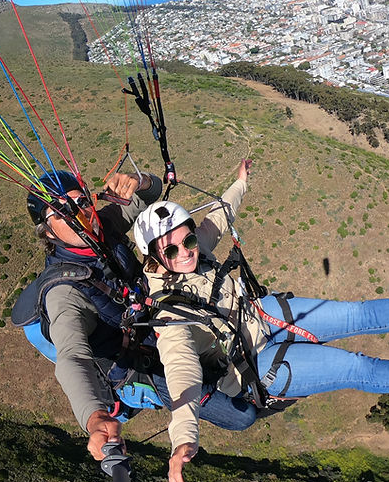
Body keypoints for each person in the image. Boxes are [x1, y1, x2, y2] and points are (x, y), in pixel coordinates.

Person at [132, 159, 389, 482]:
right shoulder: (169, 316)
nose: (187, 251)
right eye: (172, 250)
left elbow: (218, 215)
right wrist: (183, 441)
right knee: (354, 367)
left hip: (263, 315)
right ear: (153, 258)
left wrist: (241, 182)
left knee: (355, 314)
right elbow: (182, 374)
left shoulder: (195, 252)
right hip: (258, 364)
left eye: (189, 239)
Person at [18, 169, 267, 462]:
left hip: (162, 318)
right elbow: (72, 357)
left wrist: (142, 180)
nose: (80, 216)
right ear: (46, 231)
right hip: (144, 365)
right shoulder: (63, 293)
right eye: (62, 212)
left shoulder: (104, 226)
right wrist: (94, 417)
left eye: (82, 202)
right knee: (243, 416)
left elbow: (147, 195)